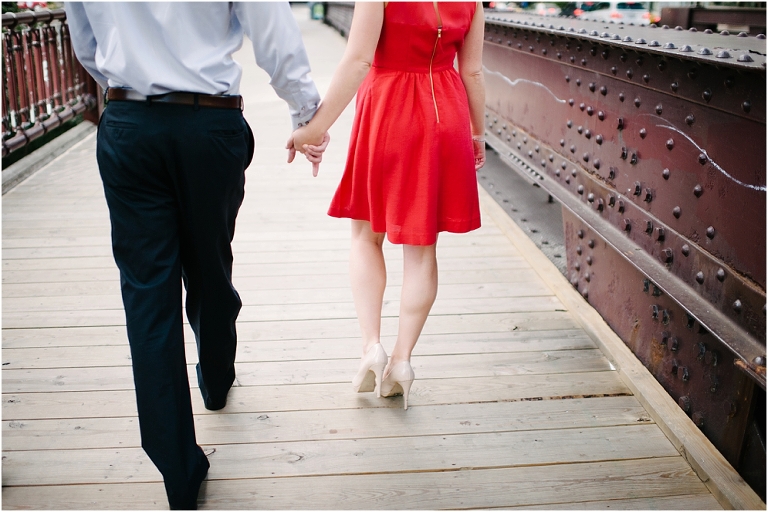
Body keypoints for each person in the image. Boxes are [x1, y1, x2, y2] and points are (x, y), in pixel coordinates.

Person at [65, 3, 327, 509]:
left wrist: (135, 82)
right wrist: (305, 110)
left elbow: (87, 46)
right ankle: (216, 374)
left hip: (129, 123)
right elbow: (270, 27)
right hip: (210, 121)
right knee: (210, 262)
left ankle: (177, 469)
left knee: (147, 295)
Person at [291, 1, 486, 410]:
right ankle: (402, 361)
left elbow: (359, 59)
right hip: (444, 114)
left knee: (366, 235)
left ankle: (371, 348)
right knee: (422, 250)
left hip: (388, 111)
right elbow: (472, 71)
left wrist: (314, 128)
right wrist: (477, 133)